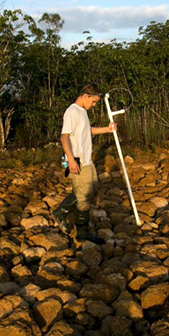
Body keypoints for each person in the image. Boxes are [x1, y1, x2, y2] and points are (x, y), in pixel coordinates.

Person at [53, 84, 117, 244]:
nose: (94, 105)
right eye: (93, 102)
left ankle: (72, 220)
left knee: (91, 190)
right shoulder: (72, 111)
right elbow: (64, 137)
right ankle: (66, 218)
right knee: (83, 197)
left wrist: (107, 130)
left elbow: (87, 130)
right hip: (77, 160)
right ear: (85, 96)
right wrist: (71, 159)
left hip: (87, 160)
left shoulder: (82, 112)